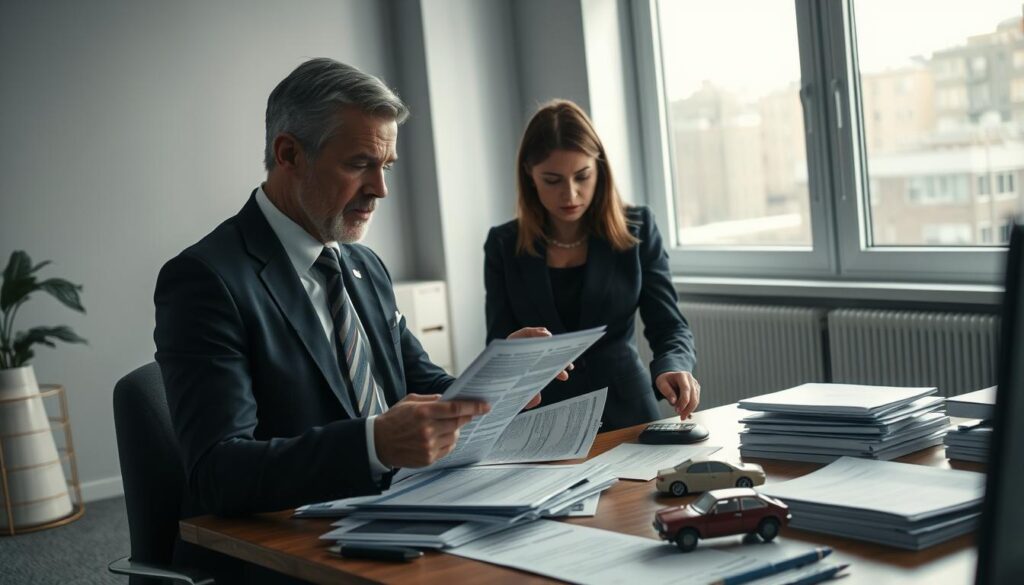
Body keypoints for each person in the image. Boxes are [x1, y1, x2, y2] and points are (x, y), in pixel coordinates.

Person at [154, 58, 545, 583]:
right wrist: (374, 444)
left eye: (387, 167)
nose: (380, 189)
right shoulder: (205, 280)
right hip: (286, 554)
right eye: (360, 164)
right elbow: (218, 473)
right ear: (289, 154)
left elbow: (421, 383)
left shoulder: (363, 266)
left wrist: (496, 383)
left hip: (394, 524)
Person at [484, 100, 700, 431]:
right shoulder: (503, 244)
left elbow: (669, 325)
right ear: (529, 175)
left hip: (627, 409)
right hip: (543, 419)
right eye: (552, 180)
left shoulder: (638, 227)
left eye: (582, 176)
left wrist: (673, 365)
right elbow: (500, 344)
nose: (570, 194)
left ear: (599, 168)